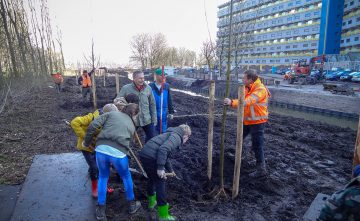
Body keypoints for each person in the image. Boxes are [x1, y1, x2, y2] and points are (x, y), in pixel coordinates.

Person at [83, 103, 142, 220]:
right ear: (133, 114)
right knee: (126, 176)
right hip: (119, 154)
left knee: (103, 177)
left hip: (101, 150)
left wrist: (86, 142)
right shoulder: (132, 125)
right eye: (136, 116)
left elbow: (93, 125)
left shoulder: (111, 114)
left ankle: (100, 210)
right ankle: (131, 205)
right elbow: (128, 143)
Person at [224, 69, 270, 178]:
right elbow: (242, 100)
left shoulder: (260, 89)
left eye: (244, 78)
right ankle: (238, 156)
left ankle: (261, 169)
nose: (242, 80)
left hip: (258, 121)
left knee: (257, 145)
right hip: (248, 120)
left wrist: (231, 102)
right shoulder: (247, 88)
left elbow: (247, 101)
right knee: (239, 137)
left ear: (250, 79)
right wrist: (233, 102)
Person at [139, 124, 192, 221]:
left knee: (152, 178)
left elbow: (165, 156)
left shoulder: (171, 134)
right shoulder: (177, 137)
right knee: (160, 181)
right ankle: (163, 215)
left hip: (145, 154)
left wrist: (171, 170)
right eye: (187, 139)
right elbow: (163, 150)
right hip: (151, 157)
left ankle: (151, 203)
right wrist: (160, 168)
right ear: (185, 136)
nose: (185, 141)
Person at [70, 104, 117, 198]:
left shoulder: (110, 121)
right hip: (86, 148)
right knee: (94, 168)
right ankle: (95, 189)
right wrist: (86, 138)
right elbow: (74, 122)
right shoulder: (91, 118)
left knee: (104, 167)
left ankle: (103, 187)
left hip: (99, 147)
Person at [118, 70, 157, 142]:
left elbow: (152, 104)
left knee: (151, 139)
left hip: (147, 119)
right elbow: (118, 102)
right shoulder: (126, 88)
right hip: (132, 120)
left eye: (143, 78)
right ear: (134, 79)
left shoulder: (148, 88)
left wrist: (154, 119)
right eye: (140, 78)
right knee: (127, 139)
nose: (142, 80)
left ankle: (147, 152)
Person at [149, 68, 175, 134]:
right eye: (162, 75)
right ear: (156, 76)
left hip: (163, 113)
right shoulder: (150, 87)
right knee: (152, 133)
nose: (164, 77)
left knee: (163, 132)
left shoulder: (166, 86)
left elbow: (169, 99)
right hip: (153, 113)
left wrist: (171, 112)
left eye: (165, 76)